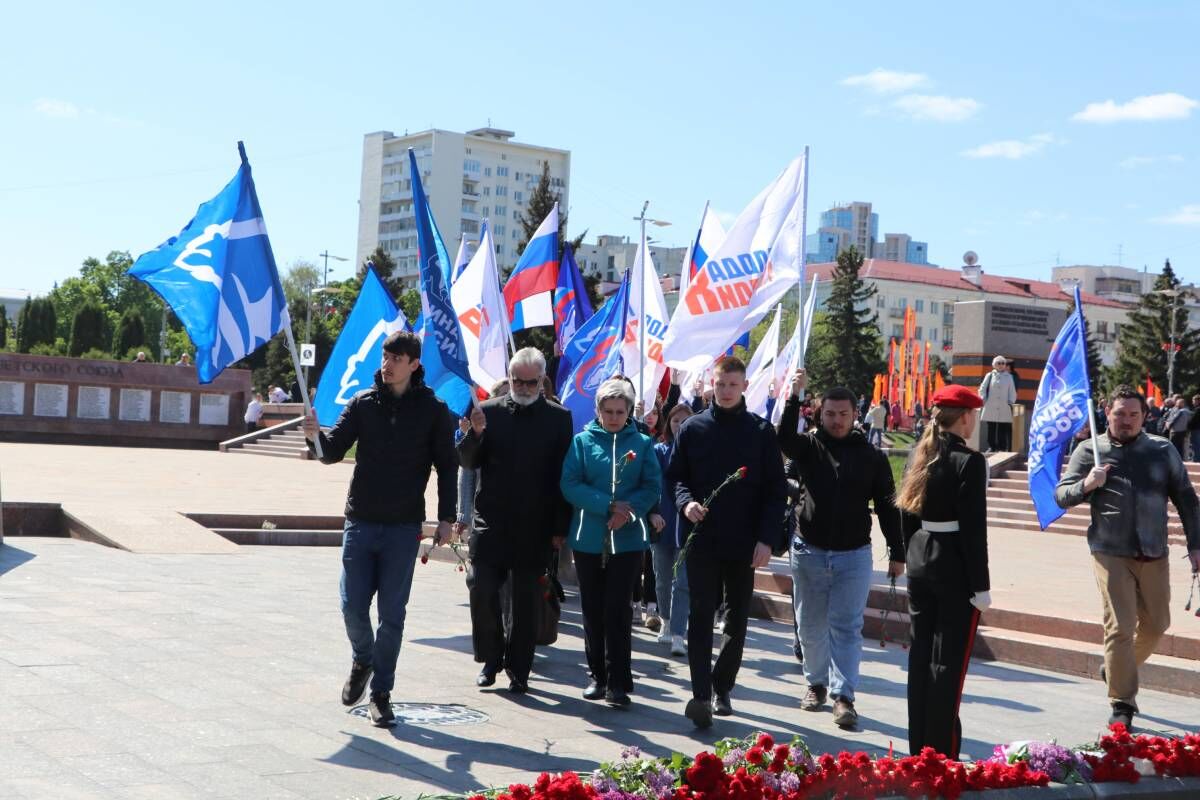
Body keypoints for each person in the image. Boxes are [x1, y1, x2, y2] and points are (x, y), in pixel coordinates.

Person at [301, 330, 457, 727]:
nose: (387, 365)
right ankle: (363, 658)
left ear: (414, 365)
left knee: (392, 615)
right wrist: (315, 437)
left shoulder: (433, 410)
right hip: (362, 520)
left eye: (397, 359)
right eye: (385, 357)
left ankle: (381, 693)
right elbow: (332, 451)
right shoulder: (363, 403)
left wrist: (446, 518)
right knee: (351, 604)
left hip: (404, 527)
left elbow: (447, 467)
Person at [1054, 384, 1200, 728]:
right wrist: (1087, 485)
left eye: (1134, 414)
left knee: (1157, 624)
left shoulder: (1162, 450)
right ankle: (1122, 703)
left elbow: (1187, 499)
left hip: (1154, 551)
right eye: (1120, 413)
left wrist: (1196, 545)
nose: (1127, 420)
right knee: (1119, 626)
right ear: (1107, 412)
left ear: (1145, 416)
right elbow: (1062, 495)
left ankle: (1115, 667)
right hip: (1109, 550)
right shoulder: (1091, 450)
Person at [666, 356, 787, 729]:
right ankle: (700, 692)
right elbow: (675, 478)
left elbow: (775, 491)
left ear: (745, 386)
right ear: (710, 386)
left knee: (736, 617)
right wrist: (686, 505)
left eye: (733, 385)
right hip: (701, 540)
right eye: (720, 385)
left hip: (744, 542)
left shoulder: (761, 432)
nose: (726, 391)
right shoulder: (692, 429)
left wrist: (766, 539)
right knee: (701, 614)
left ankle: (723, 686)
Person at [780, 375, 905, 728]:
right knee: (809, 624)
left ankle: (843, 696)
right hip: (808, 550)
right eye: (830, 414)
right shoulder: (808, 447)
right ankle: (815, 684)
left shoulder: (871, 457)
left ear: (855, 416)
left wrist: (897, 551)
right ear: (820, 416)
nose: (836, 420)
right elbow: (784, 439)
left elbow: (886, 503)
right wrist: (793, 397)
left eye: (843, 414)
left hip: (854, 554)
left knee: (847, 627)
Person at [457, 348, 573, 695]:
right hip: (490, 522)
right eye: (516, 380)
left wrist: (559, 528)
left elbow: (563, 476)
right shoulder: (487, 412)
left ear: (541, 380)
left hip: (535, 526)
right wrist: (474, 435)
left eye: (530, 381)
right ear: (508, 379)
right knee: (482, 589)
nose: (523, 387)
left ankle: (519, 669)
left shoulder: (559, 417)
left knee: (526, 603)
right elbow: (467, 460)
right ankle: (491, 659)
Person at [894, 384, 989, 759]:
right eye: (973, 416)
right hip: (954, 569)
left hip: (921, 561)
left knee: (920, 658)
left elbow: (906, 514)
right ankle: (941, 753)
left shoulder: (919, 455)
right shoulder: (969, 461)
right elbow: (973, 530)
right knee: (948, 663)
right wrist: (980, 585)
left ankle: (919, 746)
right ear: (965, 417)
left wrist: (912, 554)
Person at [560, 379, 661, 707]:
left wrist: (627, 513)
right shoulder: (582, 442)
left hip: (629, 541)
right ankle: (597, 675)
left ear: (630, 411)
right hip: (588, 538)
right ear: (598, 411)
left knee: (618, 608)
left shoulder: (643, 444)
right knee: (592, 607)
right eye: (608, 411)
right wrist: (606, 505)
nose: (614, 417)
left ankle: (618, 679)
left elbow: (651, 487)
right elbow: (570, 483)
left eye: (620, 411)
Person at [651, 404, 693, 656]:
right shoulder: (659, 451)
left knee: (684, 582)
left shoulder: (698, 453)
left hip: (687, 528)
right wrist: (652, 512)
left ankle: (679, 632)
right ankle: (665, 621)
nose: (680, 425)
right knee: (662, 578)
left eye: (685, 421)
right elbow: (652, 483)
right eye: (676, 421)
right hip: (662, 524)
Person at [979, 355, 1017, 452]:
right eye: (998, 363)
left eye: (1003, 363)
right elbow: (982, 388)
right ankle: (992, 446)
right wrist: (983, 399)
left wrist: (1011, 401)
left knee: (1002, 427)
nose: (1001, 365)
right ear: (994, 365)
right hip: (991, 405)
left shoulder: (1009, 377)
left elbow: (1012, 390)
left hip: (1004, 405)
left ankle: (1002, 447)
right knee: (991, 427)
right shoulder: (989, 375)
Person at [1189, 395, 1200, 463]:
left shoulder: (1198, 409)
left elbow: (1192, 420)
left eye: (1194, 400)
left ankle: (1196, 460)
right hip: (1197, 429)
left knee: (1196, 445)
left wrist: (1188, 427)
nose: (1193, 402)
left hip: (1196, 429)